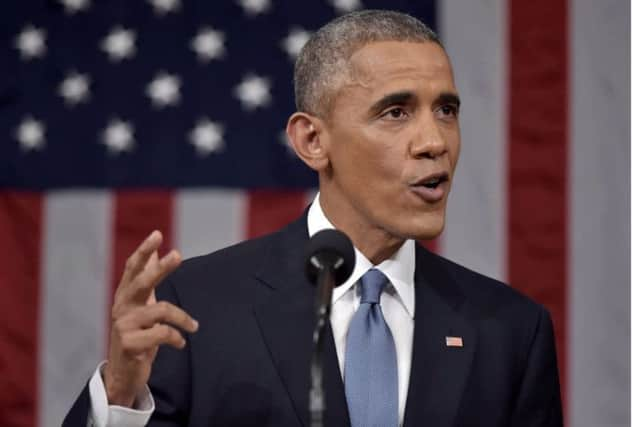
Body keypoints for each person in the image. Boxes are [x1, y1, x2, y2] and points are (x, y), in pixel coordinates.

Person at [64, 9, 563, 427]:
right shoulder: (198, 307)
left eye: (446, 110)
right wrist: (120, 397)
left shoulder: (510, 331)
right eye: (396, 112)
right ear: (312, 141)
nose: (434, 142)